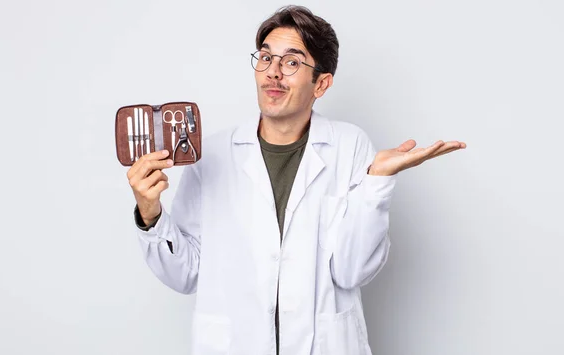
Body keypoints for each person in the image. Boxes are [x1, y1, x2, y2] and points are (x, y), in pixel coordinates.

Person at [126, 5, 466, 355]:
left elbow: (351, 272)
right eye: (265, 58)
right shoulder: (211, 155)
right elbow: (187, 274)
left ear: (321, 83)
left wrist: (376, 183)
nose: (272, 73)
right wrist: (150, 215)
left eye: (291, 62)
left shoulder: (349, 147)